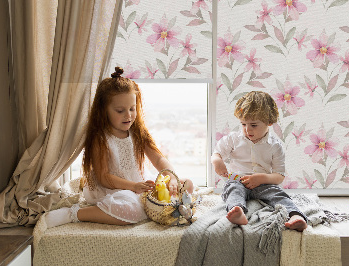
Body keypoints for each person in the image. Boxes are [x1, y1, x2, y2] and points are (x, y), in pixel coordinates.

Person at [45, 67, 193, 228]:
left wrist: (171, 176)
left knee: (187, 184)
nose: (128, 115)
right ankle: (74, 214)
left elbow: (158, 159)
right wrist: (134, 186)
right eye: (120, 111)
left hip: (138, 184)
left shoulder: (137, 132)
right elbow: (104, 178)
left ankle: (164, 207)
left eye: (132, 108)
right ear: (104, 111)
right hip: (112, 189)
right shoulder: (100, 138)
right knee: (132, 210)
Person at [211, 91, 307, 231]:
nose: (247, 129)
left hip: (263, 183)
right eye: (243, 124)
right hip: (239, 180)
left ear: (269, 122)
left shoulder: (275, 146)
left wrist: (261, 178)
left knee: (278, 195)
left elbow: (279, 176)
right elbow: (216, 153)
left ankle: (295, 216)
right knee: (233, 190)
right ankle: (238, 211)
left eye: (253, 125)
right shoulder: (234, 139)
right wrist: (217, 161)